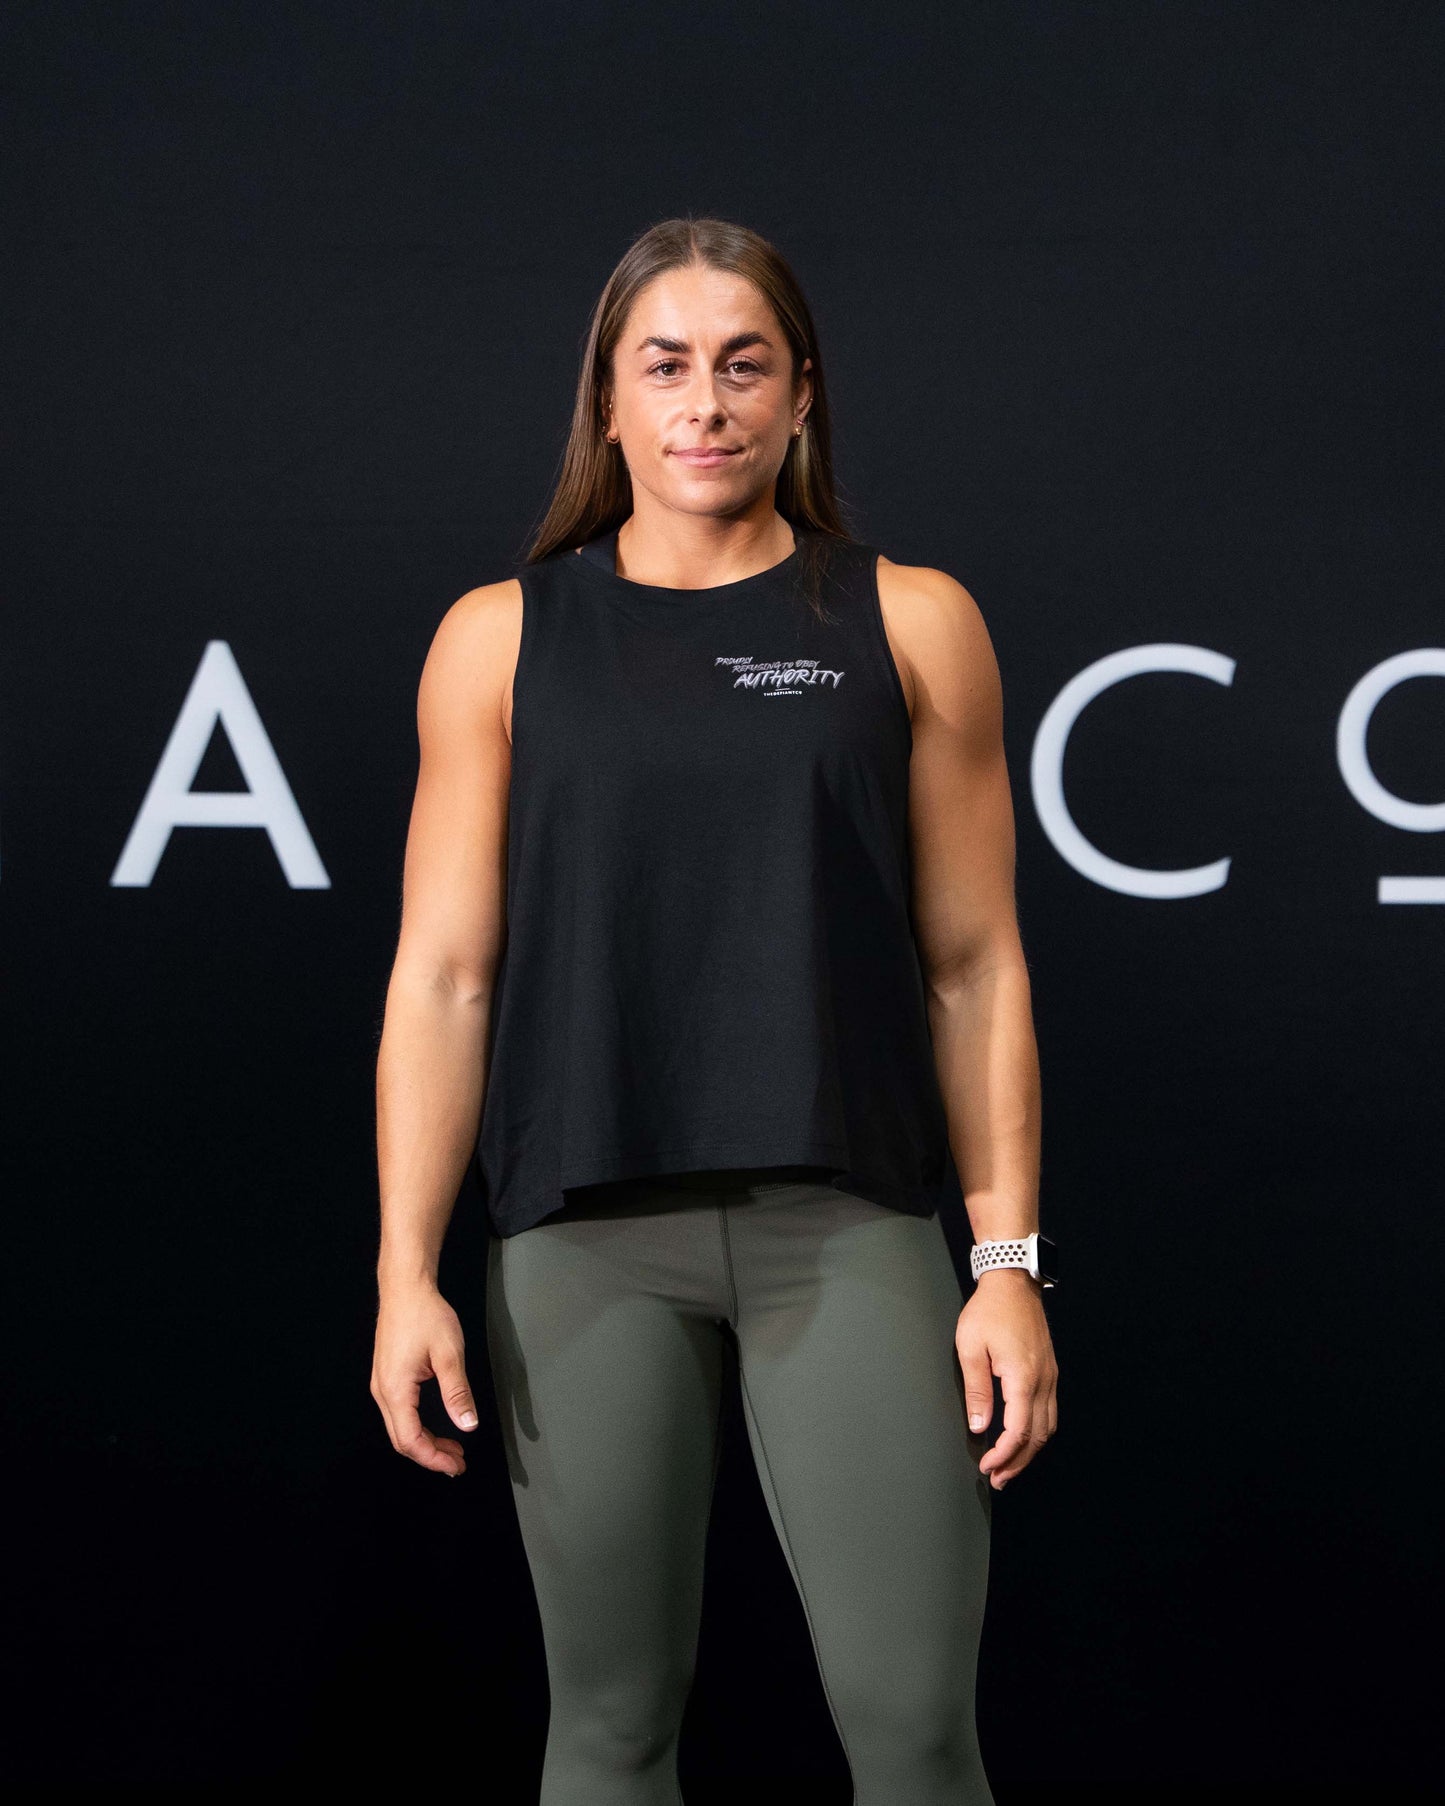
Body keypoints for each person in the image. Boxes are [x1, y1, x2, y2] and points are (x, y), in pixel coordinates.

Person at [370, 215, 1058, 1805]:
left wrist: (1004, 1261)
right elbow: (444, 976)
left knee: (912, 1734)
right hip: (579, 1236)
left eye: (744, 365)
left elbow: (974, 966)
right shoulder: (499, 638)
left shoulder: (906, 619)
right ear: (607, 402)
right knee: (607, 1732)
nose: (705, 403)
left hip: (851, 1224)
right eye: (663, 366)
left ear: (800, 396)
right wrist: (407, 1270)